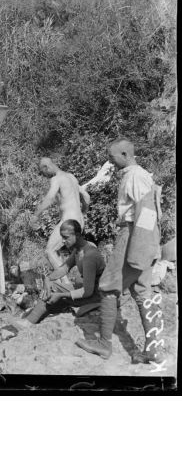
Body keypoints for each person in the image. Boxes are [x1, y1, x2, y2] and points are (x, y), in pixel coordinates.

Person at [76, 139, 164, 367]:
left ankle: (104, 344)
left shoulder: (135, 176)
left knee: (107, 286)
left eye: (112, 156)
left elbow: (147, 212)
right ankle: (153, 351)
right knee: (142, 291)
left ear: (125, 154)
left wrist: (137, 247)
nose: (110, 161)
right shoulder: (138, 174)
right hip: (142, 236)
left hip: (133, 235)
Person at [21, 220, 104, 325]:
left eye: (66, 237)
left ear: (77, 235)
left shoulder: (89, 255)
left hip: (97, 296)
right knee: (51, 286)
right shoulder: (78, 250)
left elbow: (88, 291)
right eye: (62, 237)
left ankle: (29, 322)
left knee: (57, 297)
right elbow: (64, 268)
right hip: (87, 290)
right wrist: (48, 279)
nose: (63, 241)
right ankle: (32, 319)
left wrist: (61, 295)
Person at [30, 157, 90, 269]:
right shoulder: (71, 177)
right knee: (69, 253)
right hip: (80, 221)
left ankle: (64, 280)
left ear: (46, 167)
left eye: (43, 173)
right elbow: (86, 196)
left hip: (68, 221)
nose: (45, 176)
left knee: (49, 251)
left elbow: (49, 198)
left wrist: (35, 215)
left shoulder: (56, 179)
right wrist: (84, 211)